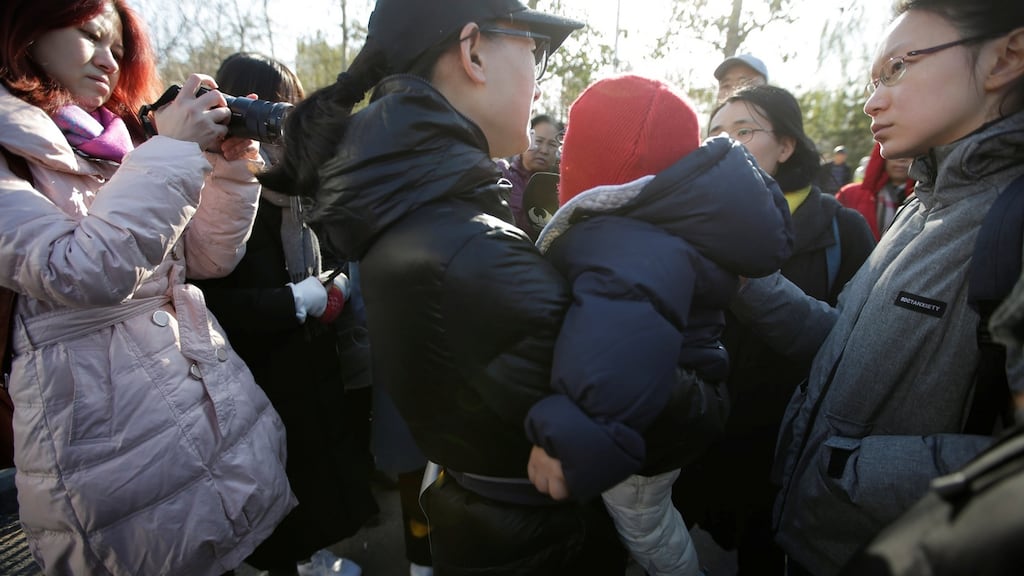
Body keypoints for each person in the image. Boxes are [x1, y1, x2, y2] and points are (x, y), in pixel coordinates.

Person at [259, 1, 629, 574]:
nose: (538, 73)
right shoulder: (471, 245)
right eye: (537, 50)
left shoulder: (414, 212)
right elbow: (664, 412)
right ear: (474, 51)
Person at [727, 1, 1024, 573]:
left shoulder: (1011, 222)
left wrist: (846, 469)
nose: (872, 100)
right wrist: (748, 282)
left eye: (898, 68)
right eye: (872, 79)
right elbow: (843, 342)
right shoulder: (921, 210)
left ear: (1006, 57)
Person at [0, 1, 295, 575]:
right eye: (90, 36)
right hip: (101, 435)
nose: (109, 61)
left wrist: (225, 167)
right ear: (26, 31)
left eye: (118, 49)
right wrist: (174, 151)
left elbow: (206, 260)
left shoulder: (120, 139)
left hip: (195, 404)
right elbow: (76, 270)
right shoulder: (13, 148)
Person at [522, 75, 793, 576]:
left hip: (647, 415)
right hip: (673, 400)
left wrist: (570, 435)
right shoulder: (662, 229)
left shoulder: (623, 241)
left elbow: (617, 338)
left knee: (646, 528)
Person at [673, 84, 875, 575]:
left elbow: (851, 347)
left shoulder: (842, 231)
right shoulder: (686, 219)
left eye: (745, 131)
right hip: (695, 437)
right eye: (716, 132)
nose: (725, 144)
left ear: (786, 146)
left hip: (780, 448)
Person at [189, 52, 378, 576]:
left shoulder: (299, 188)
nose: (283, 121)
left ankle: (308, 556)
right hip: (256, 379)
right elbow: (203, 300)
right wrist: (292, 302)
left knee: (315, 487)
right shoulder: (212, 197)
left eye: (291, 107)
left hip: (313, 367)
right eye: (272, 105)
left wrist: (333, 284)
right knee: (272, 494)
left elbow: (335, 254)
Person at [496, 113, 563, 240]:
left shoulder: (560, 188)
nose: (544, 150)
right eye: (538, 141)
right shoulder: (500, 175)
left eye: (552, 145)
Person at [837, 142, 916, 240]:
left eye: (910, 154)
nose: (901, 159)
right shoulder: (849, 194)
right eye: (895, 153)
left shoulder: (928, 201)